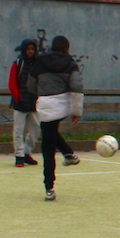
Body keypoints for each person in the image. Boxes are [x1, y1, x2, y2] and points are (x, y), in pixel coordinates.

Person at [31, 35, 83, 201]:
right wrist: (76, 111)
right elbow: (76, 86)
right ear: (66, 48)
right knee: (51, 132)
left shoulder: (38, 62)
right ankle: (68, 154)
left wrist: (41, 95)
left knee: (47, 147)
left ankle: (49, 187)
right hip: (62, 105)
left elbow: (30, 85)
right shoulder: (70, 63)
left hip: (45, 104)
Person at [9, 38, 42, 167]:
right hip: (20, 103)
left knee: (36, 129)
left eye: (32, 49)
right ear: (23, 50)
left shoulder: (38, 65)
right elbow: (12, 83)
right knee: (18, 131)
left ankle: (27, 152)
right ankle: (19, 155)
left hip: (34, 103)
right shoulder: (17, 63)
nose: (30, 51)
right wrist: (18, 98)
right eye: (28, 49)